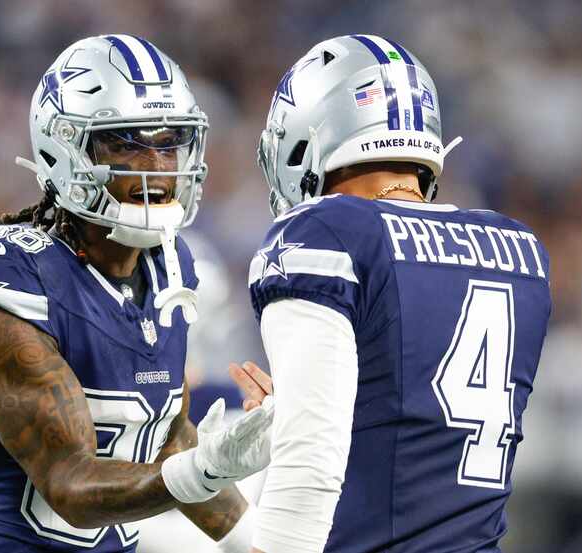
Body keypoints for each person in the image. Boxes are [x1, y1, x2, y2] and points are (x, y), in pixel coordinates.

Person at [0, 34, 272, 553]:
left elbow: (164, 436)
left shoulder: (172, 266)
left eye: (170, 142)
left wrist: (257, 543)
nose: (159, 166)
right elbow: (70, 486)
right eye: (127, 142)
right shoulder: (12, 281)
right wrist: (204, 468)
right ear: (64, 146)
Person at [233, 34, 552, 552]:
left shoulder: (326, 231)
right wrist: (302, 407)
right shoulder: (519, 248)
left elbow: (310, 462)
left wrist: (300, 426)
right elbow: (420, 426)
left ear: (309, 134)